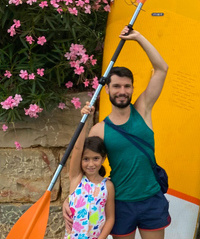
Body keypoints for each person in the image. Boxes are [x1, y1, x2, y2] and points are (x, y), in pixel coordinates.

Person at [63, 26, 170, 239]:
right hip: (120, 203)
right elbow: (81, 166)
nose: (122, 91)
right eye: (117, 86)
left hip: (151, 199)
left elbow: (162, 69)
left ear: (132, 88)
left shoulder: (143, 109)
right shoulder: (99, 130)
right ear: (107, 89)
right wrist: (70, 198)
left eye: (127, 86)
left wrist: (138, 37)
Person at [65, 102, 115, 239]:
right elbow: (77, 148)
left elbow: (110, 218)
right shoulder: (76, 179)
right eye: (86, 159)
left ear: (103, 158)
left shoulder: (107, 186)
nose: (91, 164)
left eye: (96, 158)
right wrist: (85, 119)